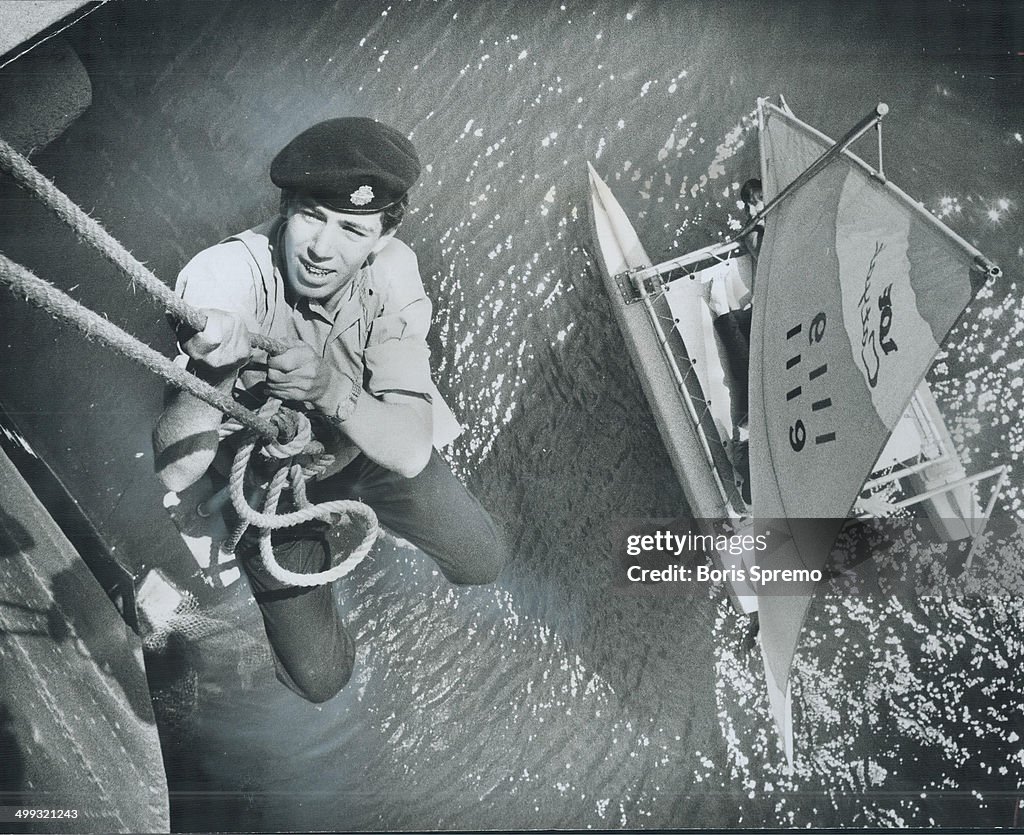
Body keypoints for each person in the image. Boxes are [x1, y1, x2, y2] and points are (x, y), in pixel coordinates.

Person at [153, 117, 508, 702]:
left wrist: (328, 391)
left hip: (358, 448)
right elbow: (174, 472)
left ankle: (364, 509)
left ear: (382, 237)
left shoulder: (391, 272)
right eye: (311, 216)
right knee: (321, 681)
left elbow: (412, 452)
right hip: (269, 480)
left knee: (481, 561)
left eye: (351, 228)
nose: (322, 248)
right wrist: (210, 370)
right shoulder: (225, 278)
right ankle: (278, 549)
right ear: (285, 209)